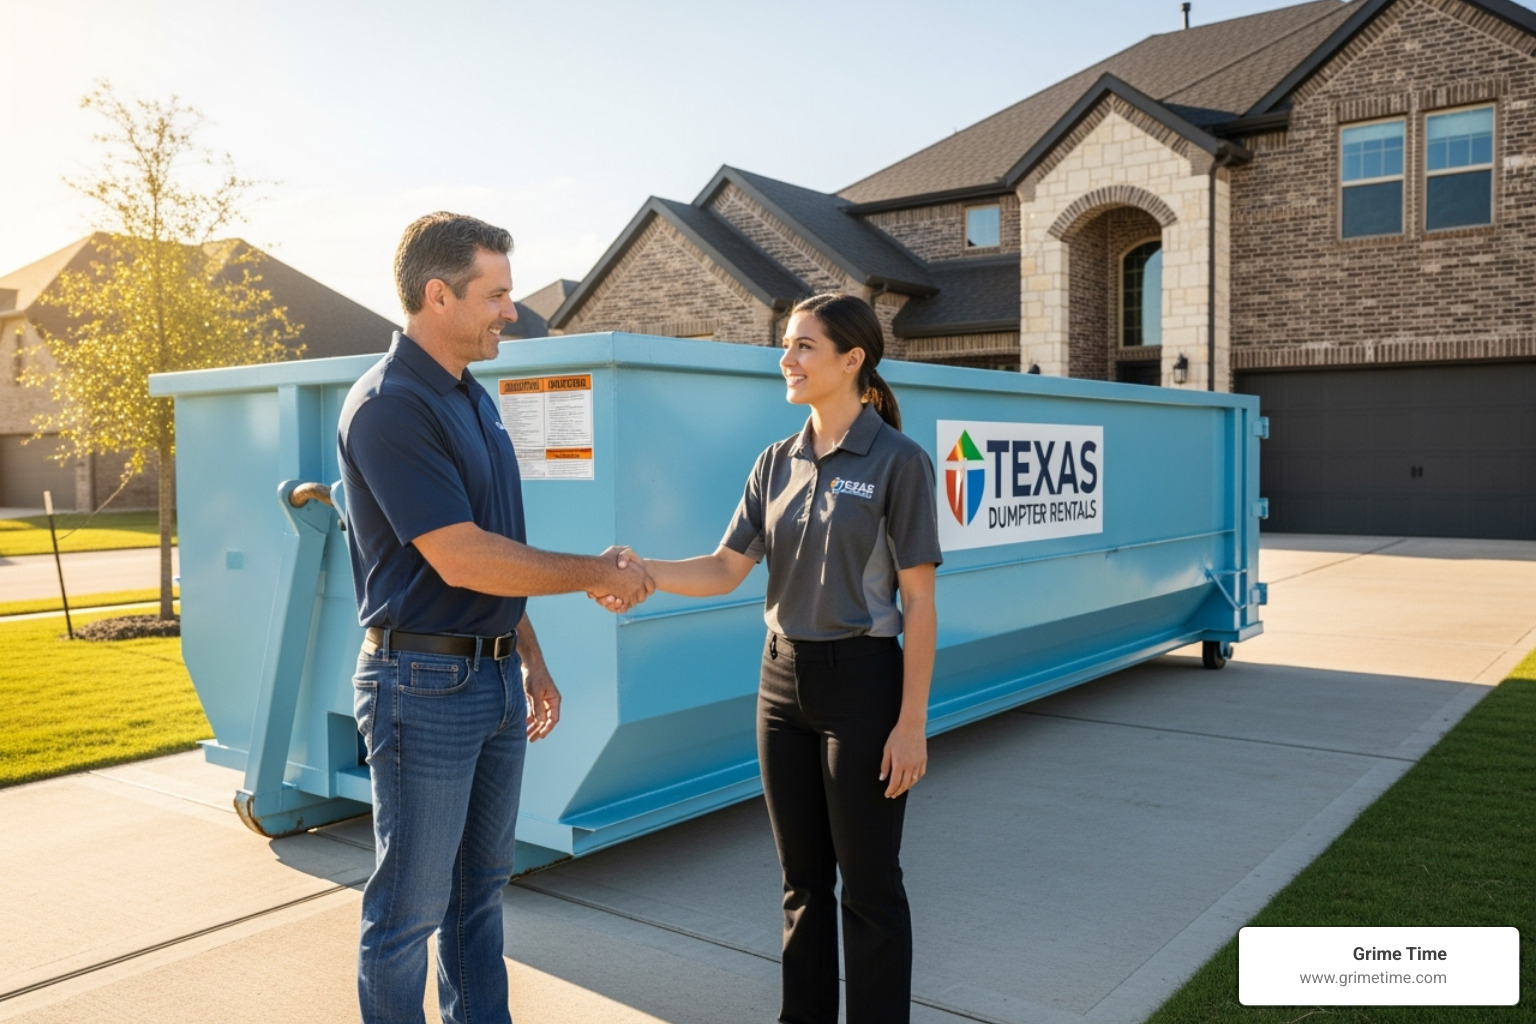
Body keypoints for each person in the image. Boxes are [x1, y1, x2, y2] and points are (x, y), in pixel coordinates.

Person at [337, 211, 653, 1024]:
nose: (512, 311)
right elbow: (462, 556)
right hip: (422, 686)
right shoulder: (390, 406)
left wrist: (529, 654)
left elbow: (496, 544)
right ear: (437, 295)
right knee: (408, 912)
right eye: (496, 294)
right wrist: (597, 573)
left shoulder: (472, 399)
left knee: (479, 895)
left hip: (491, 676)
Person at [608, 292, 941, 1024]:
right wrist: (643, 570)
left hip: (864, 686)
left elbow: (920, 602)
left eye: (803, 346)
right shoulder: (775, 462)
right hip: (781, 683)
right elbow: (725, 568)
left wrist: (911, 722)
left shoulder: (900, 461)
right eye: (785, 345)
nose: (785, 359)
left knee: (870, 887)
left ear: (852, 360)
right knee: (802, 884)